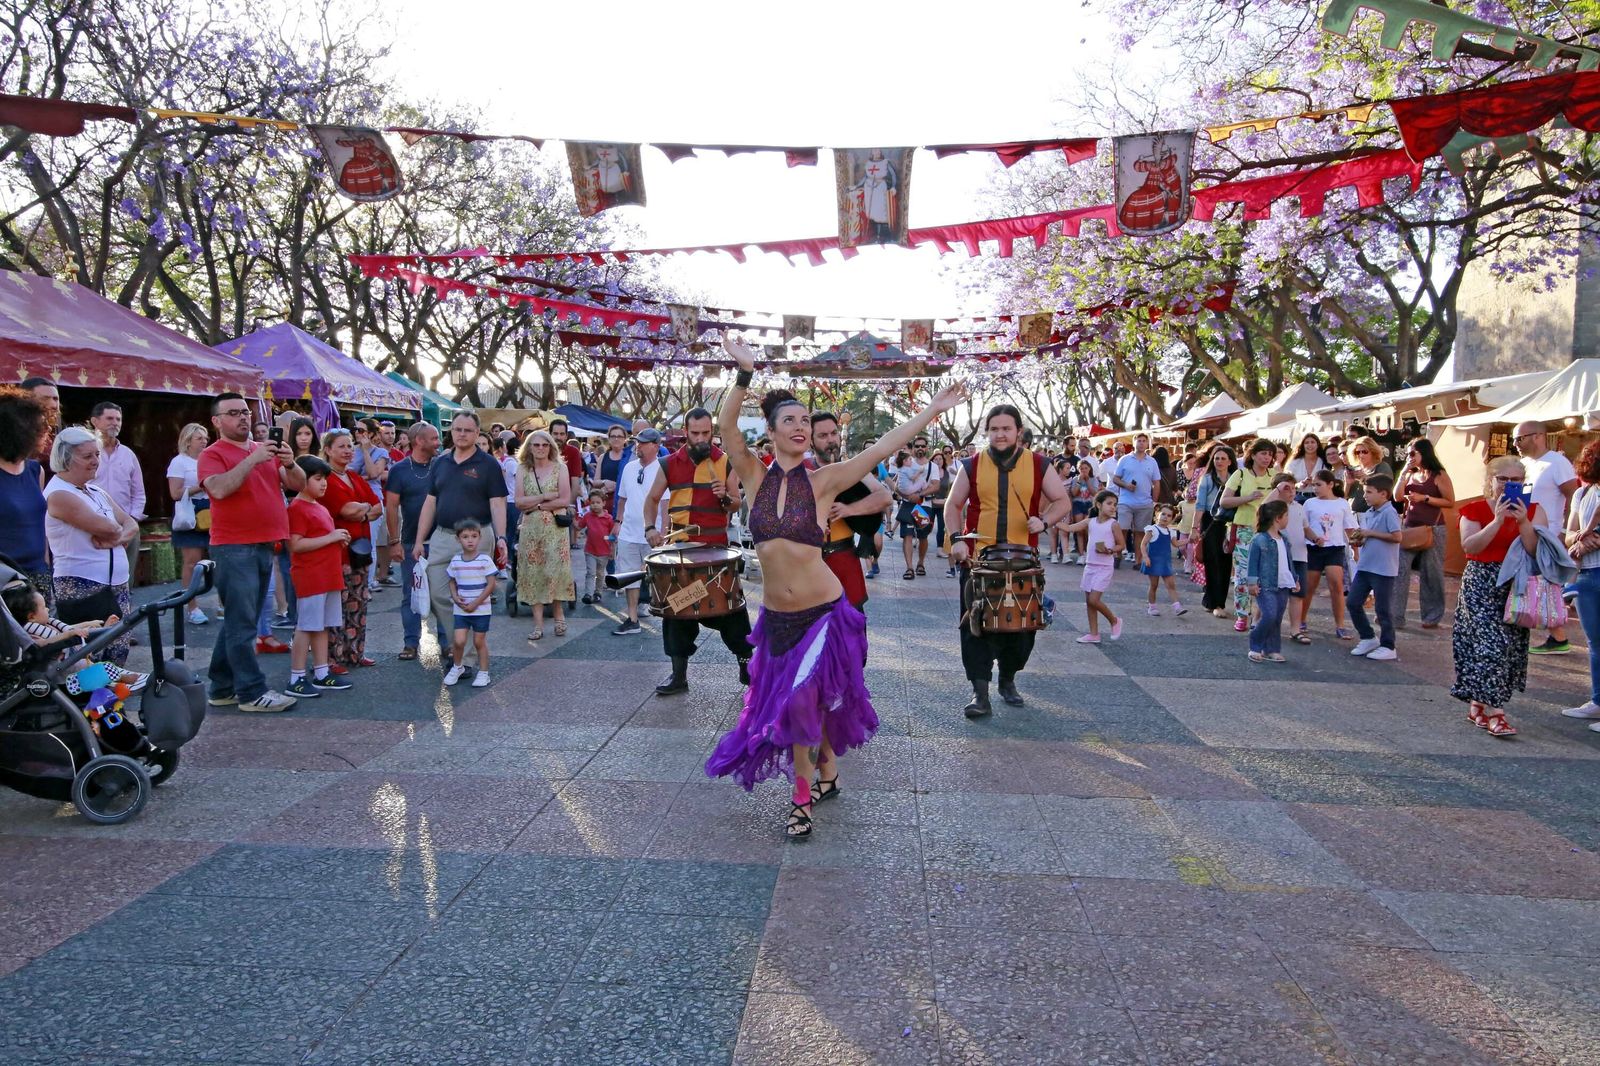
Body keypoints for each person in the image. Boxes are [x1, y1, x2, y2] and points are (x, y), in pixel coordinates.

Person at [704, 334, 967, 839]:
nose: (801, 427)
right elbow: (727, 426)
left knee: (802, 702)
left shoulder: (823, 481)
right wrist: (743, 373)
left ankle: (800, 800)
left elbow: (884, 446)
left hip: (824, 613)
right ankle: (827, 770)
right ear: (774, 433)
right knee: (802, 704)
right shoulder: (754, 477)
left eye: (806, 421)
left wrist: (933, 409)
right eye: (791, 421)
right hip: (776, 621)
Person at [942, 404, 1071, 716]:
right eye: (994, 429)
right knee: (975, 627)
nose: (1000, 434)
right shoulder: (971, 465)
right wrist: (956, 539)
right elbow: (953, 505)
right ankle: (979, 693)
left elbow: (1062, 501)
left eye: (1006, 428)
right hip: (979, 562)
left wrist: (1045, 522)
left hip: (1023, 562)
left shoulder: (1039, 464)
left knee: (1022, 629)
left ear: (1018, 432)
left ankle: (1008, 679)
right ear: (987, 431)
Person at [198, 392, 304, 713]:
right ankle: (251, 691)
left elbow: (297, 483)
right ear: (217, 422)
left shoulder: (264, 450)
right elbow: (217, 488)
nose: (243, 418)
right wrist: (251, 460)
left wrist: (289, 461)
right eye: (233, 413)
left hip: (263, 543)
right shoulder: (213, 454)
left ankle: (222, 686)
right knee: (244, 623)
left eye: (246, 412)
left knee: (239, 621)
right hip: (233, 546)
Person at [643, 408, 751, 695]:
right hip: (681, 550)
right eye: (695, 433)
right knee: (676, 611)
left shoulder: (724, 461)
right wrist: (650, 529)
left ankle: (746, 665)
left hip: (716, 551)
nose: (702, 439)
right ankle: (679, 676)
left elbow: (736, 504)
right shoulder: (669, 464)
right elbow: (652, 500)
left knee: (732, 609)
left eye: (706, 433)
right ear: (685, 432)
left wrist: (725, 497)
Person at [1452, 456, 1540, 738]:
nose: (1509, 485)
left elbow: (1535, 550)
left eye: (1516, 480)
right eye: (1503, 479)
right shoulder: (1475, 509)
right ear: (1491, 480)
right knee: (1491, 645)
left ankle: (1478, 704)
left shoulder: (1535, 510)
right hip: (1481, 581)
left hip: (1516, 582)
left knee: (1508, 647)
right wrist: (1498, 520)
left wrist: (1523, 521)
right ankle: (1496, 713)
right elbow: (1470, 545)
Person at [411, 411, 510, 656]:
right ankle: (460, 644)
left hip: (477, 538)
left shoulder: (488, 464)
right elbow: (430, 502)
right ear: (451, 432)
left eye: (467, 430)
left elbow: (497, 503)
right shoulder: (440, 462)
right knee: (437, 594)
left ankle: (462, 656)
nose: (462, 434)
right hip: (443, 536)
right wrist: (419, 539)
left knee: (472, 595)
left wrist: (501, 537)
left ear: (477, 433)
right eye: (457, 429)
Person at [44, 427, 139, 667]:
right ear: (65, 458)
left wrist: (116, 538)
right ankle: (89, 705)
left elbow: (131, 524)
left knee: (116, 654)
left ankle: (109, 704)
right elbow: (109, 527)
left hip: (115, 584)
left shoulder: (96, 491)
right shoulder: (59, 494)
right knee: (90, 659)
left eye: (96, 455)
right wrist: (115, 532)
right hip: (83, 585)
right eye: (87, 457)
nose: (96, 461)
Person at [284, 455, 354, 699]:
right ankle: (297, 675)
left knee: (321, 625)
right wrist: (332, 538)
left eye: (324, 478)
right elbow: (295, 544)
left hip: (327, 575)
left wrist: (337, 538)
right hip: (311, 576)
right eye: (317, 478)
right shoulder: (297, 508)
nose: (323, 483)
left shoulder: (319, 507)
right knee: (306, 626)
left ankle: (322, 671)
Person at [810, 411, 891, 610]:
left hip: (844, 558)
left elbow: (884, 497)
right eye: (822, 436)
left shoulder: (852, 468)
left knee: (853, 630)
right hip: (808, 564)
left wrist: (849, 509)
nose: (831, 440)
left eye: (833, 433)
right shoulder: (800, 471)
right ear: (810, 441)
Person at [1513, 420, 1578, 655]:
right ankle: (1555, 635)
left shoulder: (1557, 463)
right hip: (1525, 531)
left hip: (1547, 534)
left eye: (1519, 438)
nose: (1516, 443)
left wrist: (1565, 532)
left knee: (1546, 585)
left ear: (1538, 436)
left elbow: (1574, 496)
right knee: (1534, 585)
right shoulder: (1524, 464)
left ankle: (1558, 636)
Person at [320, 429, 381, 670]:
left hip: (361, 551)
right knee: (338, 606)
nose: (347, 451)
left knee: (359, 601)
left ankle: (355, 652)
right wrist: (365, 510)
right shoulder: (327, 478)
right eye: (341, 446)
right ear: (328, 450)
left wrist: (362, 509)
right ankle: (332, 656)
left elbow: (378, 507)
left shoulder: (354, 476)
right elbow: (344, 510)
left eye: (349, 446)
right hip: (339, 551)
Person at [385, 422, 444, 661]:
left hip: (441, 541)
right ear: (419, 441)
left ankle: (447, 642)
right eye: (434, 438)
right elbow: (391, 506)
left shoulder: (442, 466)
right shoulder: (399, 470)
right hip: (411, 541)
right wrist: (394, 541)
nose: (438, 443)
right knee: (410, 594)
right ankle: (411, 643)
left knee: (443, 594)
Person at [514, 430, 575, 641]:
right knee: (532, 574)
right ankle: (538, 625)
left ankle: (559, 618)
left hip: (554, 531)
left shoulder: (561, 468)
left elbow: (564, 499)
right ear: (529, 447)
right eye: (536, 445)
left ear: (551, 447)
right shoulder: (523, 469)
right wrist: (545, 496)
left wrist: (537, 504)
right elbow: (519, 502)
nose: (540, 448)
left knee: (554, 572)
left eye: (544, 445)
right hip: (530, 529)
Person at [1392, 438, 1456, 629]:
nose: (1409, 457)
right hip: (1410, 527)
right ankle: (1395, 615)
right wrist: (1403, 474)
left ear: (1424, 453)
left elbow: (1449, 501)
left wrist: (1425, 498)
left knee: (1431, 573)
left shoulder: (1438, 474)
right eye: (1408, 454)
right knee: (1400, 570)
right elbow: (1396, 497)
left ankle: (1431, 616)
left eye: (1413, 454)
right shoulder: (1410, 474)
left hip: (1433, 529)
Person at [1560, 439, 1600, 729]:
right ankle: (1598, 701)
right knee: (1594, 642)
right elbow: (1568, 533)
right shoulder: (1583, 493)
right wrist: (1580, 540)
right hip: (1586, 574)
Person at [0, 388, 51, 607]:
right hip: (7, 581)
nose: (47, 429)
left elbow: (42, 523)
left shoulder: (34, 470)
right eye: (38, 425)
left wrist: (46, 565)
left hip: (39, 575)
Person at [1220, 438, 1277, 631]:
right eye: (1263, 453)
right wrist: (1248, 498)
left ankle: (1260, 616)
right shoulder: (1241, 474)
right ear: (1253, 455)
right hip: (1244, 529)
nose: (1267, 457)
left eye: (1270, 454)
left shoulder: (1276, 475)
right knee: (1243, 575)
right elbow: (1224, 501)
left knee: (1266, 575)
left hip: (1268, 531)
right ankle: (1242, 614)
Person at [611, 428, 663, 636]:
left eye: (643, 442)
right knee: (629, 576)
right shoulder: (629, 467)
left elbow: (666, 504)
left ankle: (667, 619)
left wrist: (663, 532)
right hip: (628, 532)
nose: (637, 445)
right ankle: (632, 618)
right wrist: (618, 521)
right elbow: (622, 498)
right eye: (637, 442)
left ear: (656, 446)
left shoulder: (663, 468)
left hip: (653, 533)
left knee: (658, 579)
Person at [1347, 474, 1403, 661]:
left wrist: (1370, 533)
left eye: (1369, 492)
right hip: (1366, 565)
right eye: (1365, 492)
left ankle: (1389, 645)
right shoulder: (1370, 512)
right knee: (1353, 602)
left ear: (1383, 494)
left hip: (1384, 568)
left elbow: (1397, 537)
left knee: (1383, 608)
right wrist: (1361, 539)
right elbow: (1372, 536)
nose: (1365, 496)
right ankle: (1368, 637)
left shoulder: (1389, 512)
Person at [1298, 469, 1357, 640]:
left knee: (1336, 585)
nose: (1316, 488)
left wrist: (1355, 548)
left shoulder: (1342, 503)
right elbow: (1304, 526)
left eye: (1319, 485)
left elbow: (1349, 528)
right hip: (1314, 548)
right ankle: (1301, 620)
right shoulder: (1309, 503)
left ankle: (1340, 625)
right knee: (1309, 586)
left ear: (1331, 484)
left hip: (1335, 548)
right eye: (1314, 485)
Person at [89, 401, 145, 581]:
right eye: (110, 418)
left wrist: (132, 521)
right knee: (97, 580)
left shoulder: (128, 454)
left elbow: (138, 493)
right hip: (92, 525)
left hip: (126, 526)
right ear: (94, 421)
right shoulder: (86, 452)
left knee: (125, 582)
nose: (115, 423)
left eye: (118, 419)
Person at [1058, 490, 1122, 644]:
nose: (1113, 507)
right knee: (1089, 601)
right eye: (1109, 503)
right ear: (1099, 505)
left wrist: (1111, 550)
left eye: (1115, 504)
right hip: (1090, 565)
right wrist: (1049, 521)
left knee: (1094, 600)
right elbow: (1069, 528)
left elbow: (1121, 544)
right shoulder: (1090, 522)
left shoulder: (1114, 524)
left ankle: (1114, 620)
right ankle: (1094, 634)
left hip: (1104, 566)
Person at [167, 423, 213, 626]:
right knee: (192, 562)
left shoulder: (210, 459)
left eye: (205, 437)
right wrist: (201, 486)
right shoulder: (179, 462)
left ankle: (223, 604)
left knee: (218, 559)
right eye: (199, 438)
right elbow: (175, 493)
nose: (204, 441)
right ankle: (191, 606)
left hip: (212, 510)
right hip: (191, 511)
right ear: (187, 441)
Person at [445, 518, 497, 688]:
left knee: (478, 642)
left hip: (480, 609)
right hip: (461, 609)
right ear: (458, 539)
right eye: (465, 536)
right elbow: (452, 581)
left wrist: (476, 602)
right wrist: (455, 596)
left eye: (474, 536)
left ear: (479, 538)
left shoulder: (484, 560)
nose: (470, 540)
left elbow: (491, 584)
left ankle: (483, 672)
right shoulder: (456, 560)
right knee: (458, 641)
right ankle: (457, 667)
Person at [1244, 499, 1298, 663]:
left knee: (1277, 617)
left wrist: (1295, 579)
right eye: (1286, 515)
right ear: (1277, 518)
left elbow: (1289, 561)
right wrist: (1252, 583)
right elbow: (1252, 562)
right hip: (1265, 584)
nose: (1288, 519)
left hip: (1282, 583)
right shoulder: (1259, 539)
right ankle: (1255, 645)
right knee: (1269, 615)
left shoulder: (1284, 538)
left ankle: (1272, 649)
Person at [1267, 474, 1311, 643]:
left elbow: (1306, 528)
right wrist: (1278, 488)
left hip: (1299, 555)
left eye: (1293, 488)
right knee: (1272, 591)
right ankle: (1260, 622)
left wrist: (1316, 538)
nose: (1292, 492)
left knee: (1298, 594)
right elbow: (1262, 508)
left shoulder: (1299, 507)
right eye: (1287, 488)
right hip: (1277, 555)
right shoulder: (1272, 507)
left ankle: (1295, 629)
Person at [1194, 444, 1236, 617]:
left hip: (1230, 522)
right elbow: (1200, 505)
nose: (1219, 461)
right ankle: (1213, 601)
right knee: (1213, 562)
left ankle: (1220, 601)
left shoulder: (1236, 478)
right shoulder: (1207, 479)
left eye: (1223, 458)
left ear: (1230, 461)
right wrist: (1195, 528)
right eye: (1216, 458)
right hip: (1211, 522)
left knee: (1226, 561)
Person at [354, 419, 394, 590]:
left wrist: (365, 451)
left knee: (369, 541)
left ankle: (368, 583)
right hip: (352, 497)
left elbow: (373, 474)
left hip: (371, 499)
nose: (357, 433)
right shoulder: (349, 450)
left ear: (370, 434)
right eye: (356, 429)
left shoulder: (380, 453)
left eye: (361, 430)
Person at [1112, 433, 1161, 565]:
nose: (1141, 443)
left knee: (1140, 532)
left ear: (1147, 444)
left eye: (1144, 441)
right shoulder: (1125, 459)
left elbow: (1156, 483)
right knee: (1122, 529)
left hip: (1145, 503)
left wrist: (1154, 501)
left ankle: (1138, 560)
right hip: (1125, 501)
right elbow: (1115, 479)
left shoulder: (1152, 461)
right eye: (1139, 440)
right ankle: (1118, 555)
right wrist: (1126, 485)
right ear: (1133, 443)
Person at [893, 436, 932, 579]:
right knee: (907, 535)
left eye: (923, 446)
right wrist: (907, 495)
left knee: (923, 536)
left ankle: (920, 563)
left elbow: (936, 486)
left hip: (923, 505)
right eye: (917, 446)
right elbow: (897, 487)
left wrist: (919, 494)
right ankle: (909, 568)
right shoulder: (906, 464)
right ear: (913, 448)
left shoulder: (932, 466)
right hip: (908, 505)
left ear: (927, 448)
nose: (920, 448)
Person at [1140, 503, 1185, 616]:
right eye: (1163, 514)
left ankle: (1177, 607)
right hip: (1153, 562)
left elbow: (1176, 544)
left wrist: (1189, 540)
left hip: (1165, 563)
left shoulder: (1171, 532)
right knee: (1154, 585)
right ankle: (1152, 607)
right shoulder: (1152, 529)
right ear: (1157, 514)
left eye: (1169, 515)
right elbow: (1143, 544)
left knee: (1171, 585)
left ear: (1172, 518)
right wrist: (1145, 556)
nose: (1165, 517)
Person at [576, 489, 614, 604]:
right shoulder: (588, 516)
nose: (595, 505)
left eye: (598, 502)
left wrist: (610, 546)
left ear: (603, 503)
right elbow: (579, 526)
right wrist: (573, 518)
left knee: (600, 573)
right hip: (590, 550)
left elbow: (613, 536)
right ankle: (588, 593)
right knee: (590, 572)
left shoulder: (609, 519)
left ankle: (598, 592)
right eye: (592, 503)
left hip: (604, 552)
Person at [1344, 436, 1392, 512]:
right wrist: (1348, 484)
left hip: (1374, 513)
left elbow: (1385, 491)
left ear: (1373, 452)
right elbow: (1344, 496)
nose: (1361, 455)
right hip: (1353, 514)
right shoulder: (1355, 469)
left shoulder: (1382, 466)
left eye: (1364, 452)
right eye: (1357, 452)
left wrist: (1365, 478)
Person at [21, 377, 59, 472]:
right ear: (26, 400)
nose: (53, 405)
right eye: (45, 398)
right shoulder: (14, 431)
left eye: (55, 399)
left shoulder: (50, 431)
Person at [595, 425, 632, 519]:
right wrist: (605, 482)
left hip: (624, 503)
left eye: (619, 436)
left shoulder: (630, 457)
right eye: (613, 436)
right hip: (605, 504)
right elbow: (595, 482)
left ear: (625, 439)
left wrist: (617, 485)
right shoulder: (603, 457)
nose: (616, 439)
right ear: (609, 438)